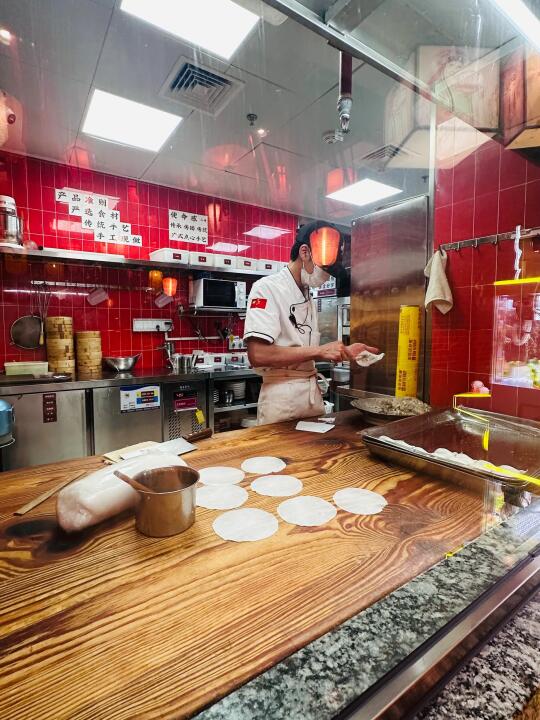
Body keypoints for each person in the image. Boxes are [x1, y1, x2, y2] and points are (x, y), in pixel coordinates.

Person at [243, 221, 378, 425]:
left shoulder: (308, 295)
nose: (326, 276)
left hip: (310, 397)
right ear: (304, 252)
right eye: (324, 268)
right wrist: (320, 351)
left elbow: (305, 351)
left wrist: (346, 352)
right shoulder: (266, 288)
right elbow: (258, 355)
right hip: (281, 400)